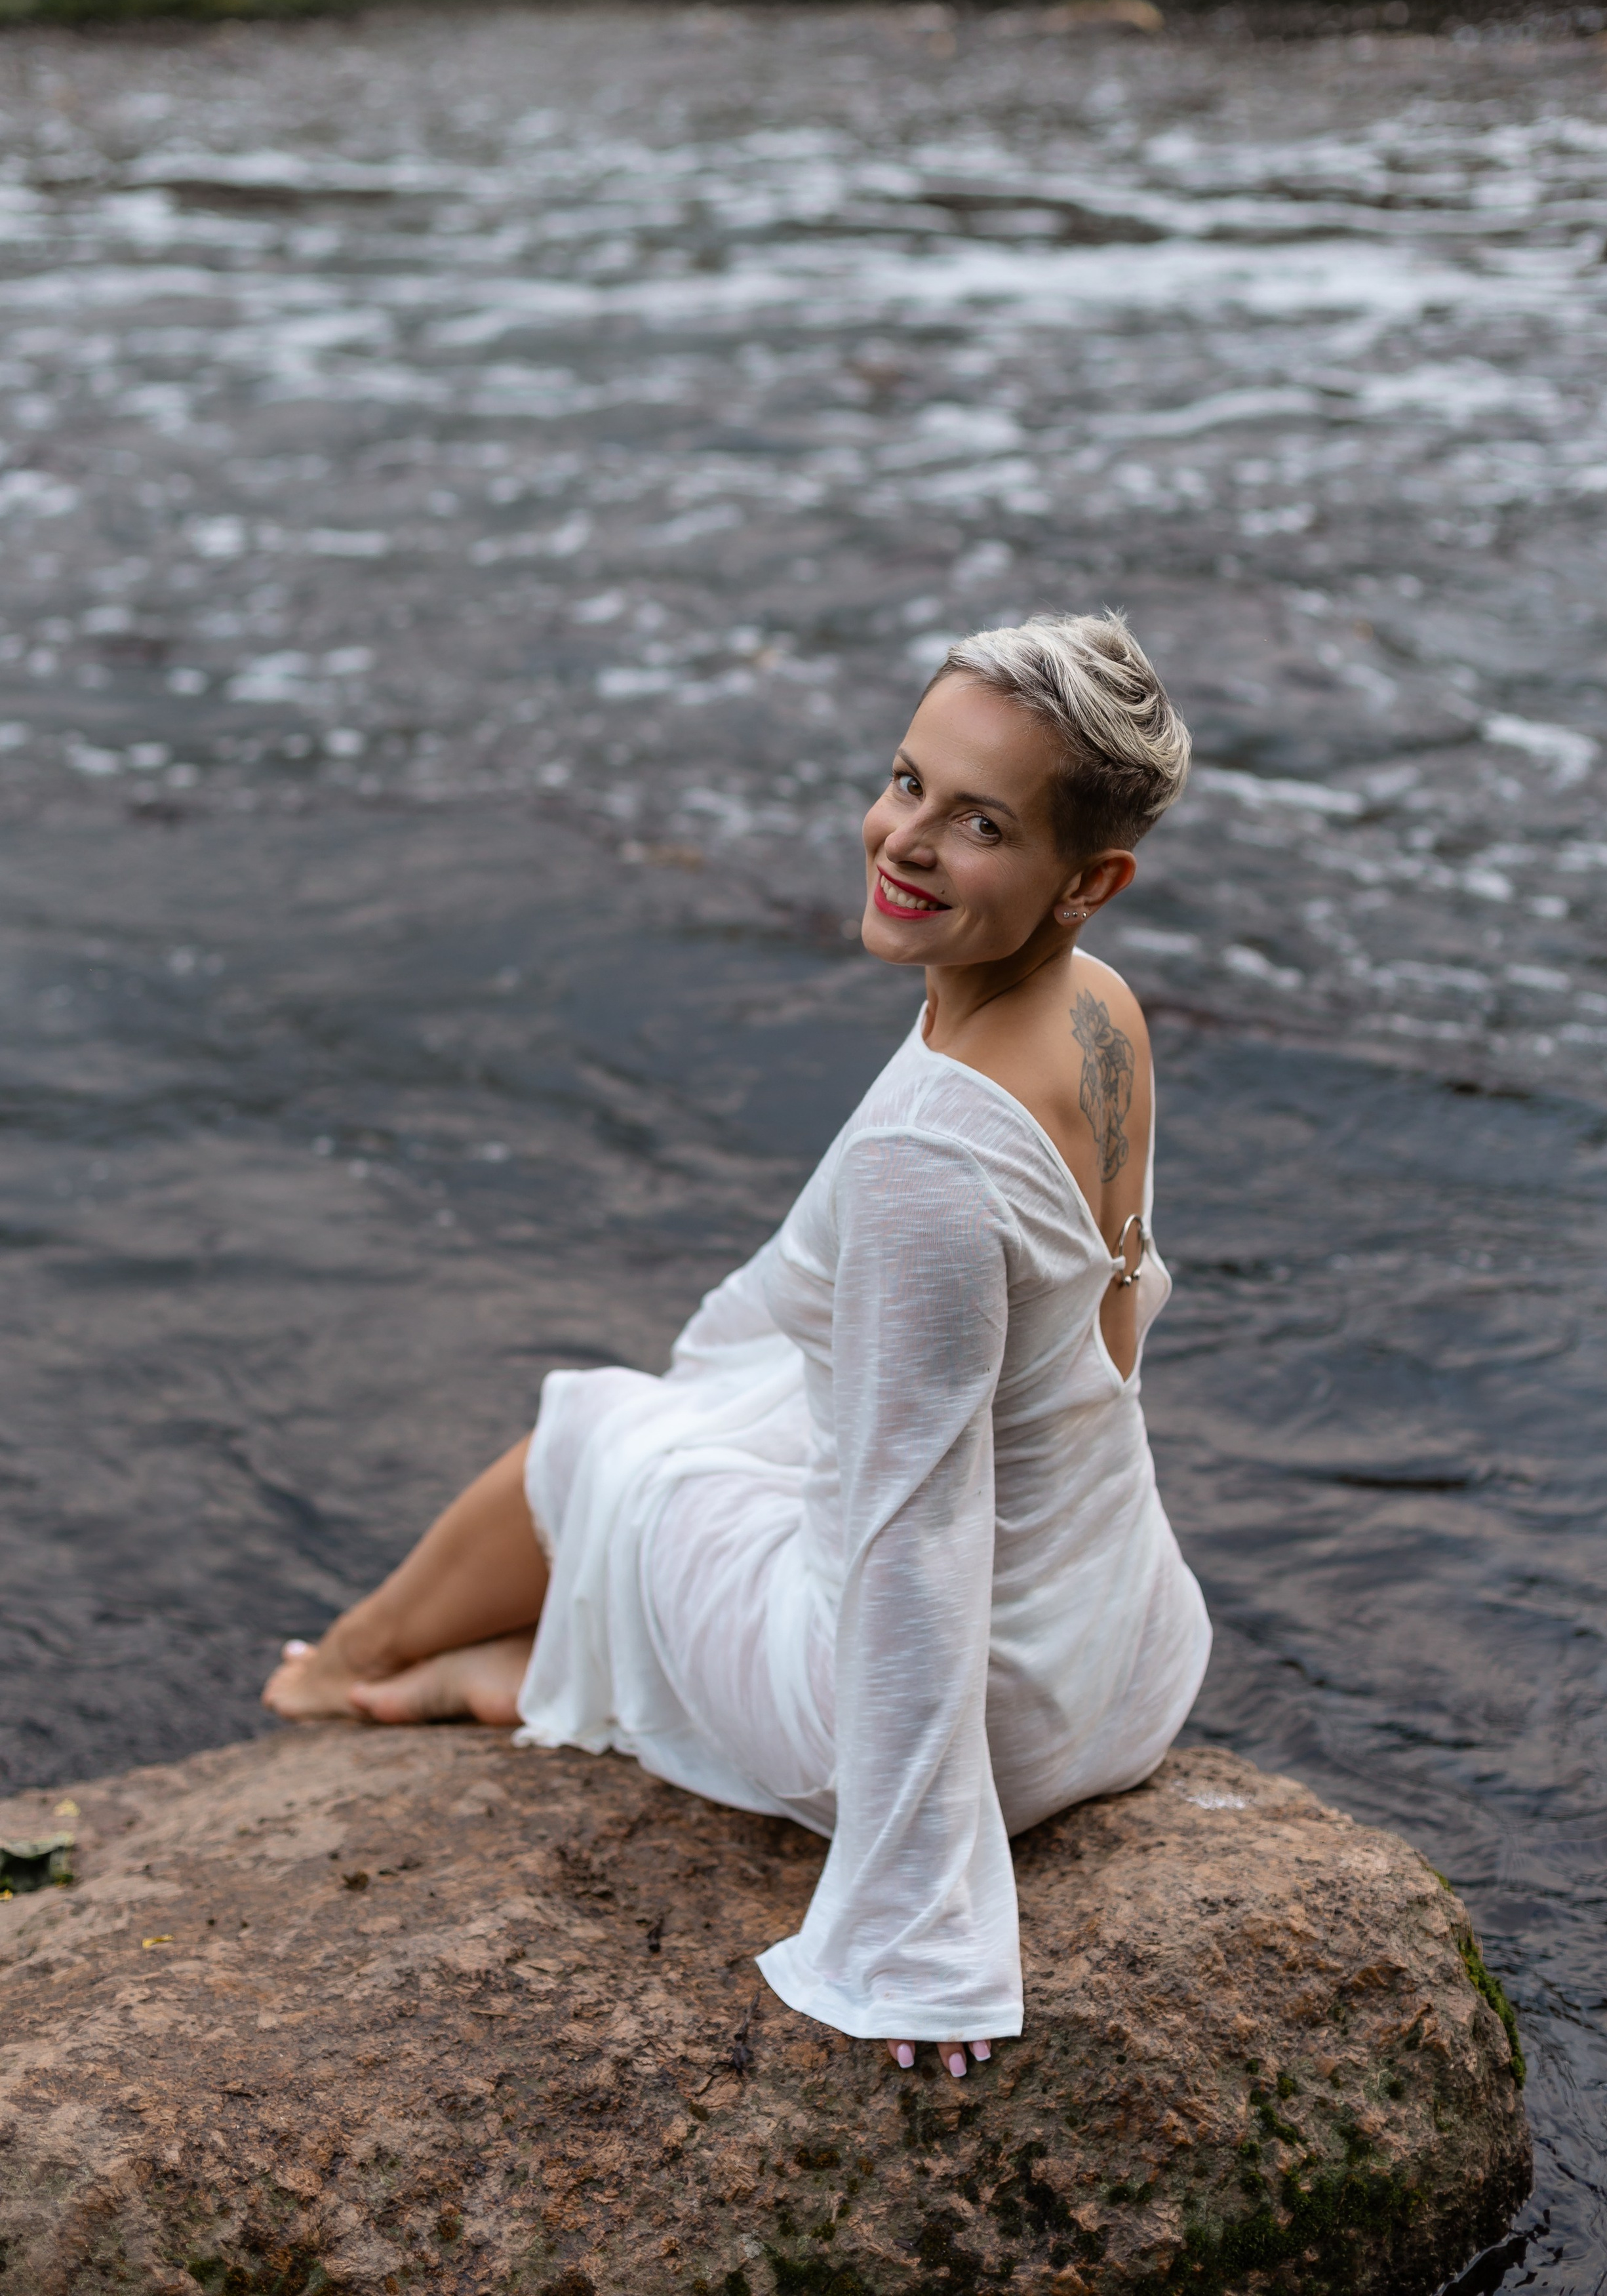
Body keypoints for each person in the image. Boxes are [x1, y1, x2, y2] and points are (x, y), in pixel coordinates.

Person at [264, 610, 1211, 2084]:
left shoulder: (923, 1163)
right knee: (758, 1393)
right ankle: (526, 1668)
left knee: (600, 1436)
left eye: (978, 823)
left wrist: (920, 1929)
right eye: (906, 782)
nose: (903, 840)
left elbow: (913, 1540)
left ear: (1088, 881)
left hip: (972, 1732)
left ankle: (343, 1675)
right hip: (1120, 1665)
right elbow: (1103, 1324)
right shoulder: (1098, 1009)